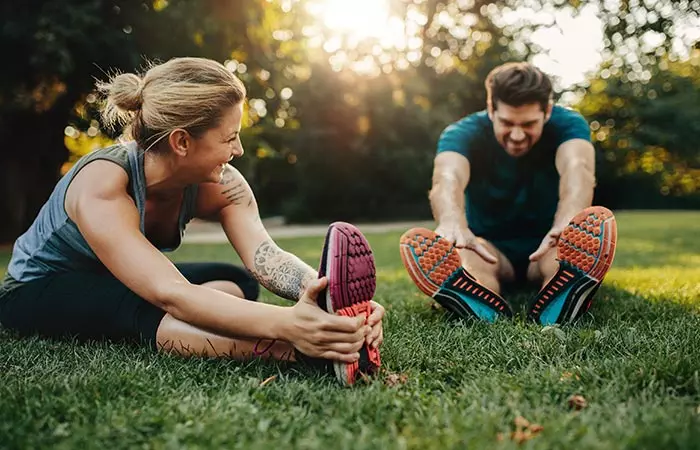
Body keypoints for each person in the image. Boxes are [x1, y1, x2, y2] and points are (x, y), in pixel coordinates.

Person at [0, 57, 383, 386]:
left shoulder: (221, 183)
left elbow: (265, 255)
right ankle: (298, 354)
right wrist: (291, 326)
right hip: (38, 289)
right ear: (182, 142)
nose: (239, 150)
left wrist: (326, 298)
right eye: (229, 138)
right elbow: (170, 292)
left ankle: (196, 325)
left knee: (239, 282)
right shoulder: (102, 184)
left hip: (120, 280)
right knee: (146, 305)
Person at [399, 62, 617, 325]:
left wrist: (567, 222)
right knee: (470, 259)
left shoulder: (568, 124)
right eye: (506, 122)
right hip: (490, 247)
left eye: (528, 124)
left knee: (561, 259)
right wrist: (452, 222)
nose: (516, 135)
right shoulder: (462, 133)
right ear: (491, 109)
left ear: (547, 111)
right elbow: (448, 177)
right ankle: (477, 298)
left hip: (547, 242)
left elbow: (577, 167)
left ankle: (564, 291)